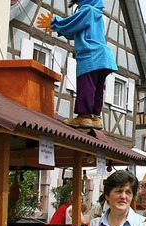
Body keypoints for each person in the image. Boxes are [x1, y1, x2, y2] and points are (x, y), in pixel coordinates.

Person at [36, 0, 117, 130]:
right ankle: (96, 117)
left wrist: (55, 22)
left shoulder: (88, 10)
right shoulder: (97, 14)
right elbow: (75, 30)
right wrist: (58, 28)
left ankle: (84, 116)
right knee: (97, 87)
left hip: (91, 53)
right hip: (104, 57)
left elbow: (72, 23)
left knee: (87, 84)